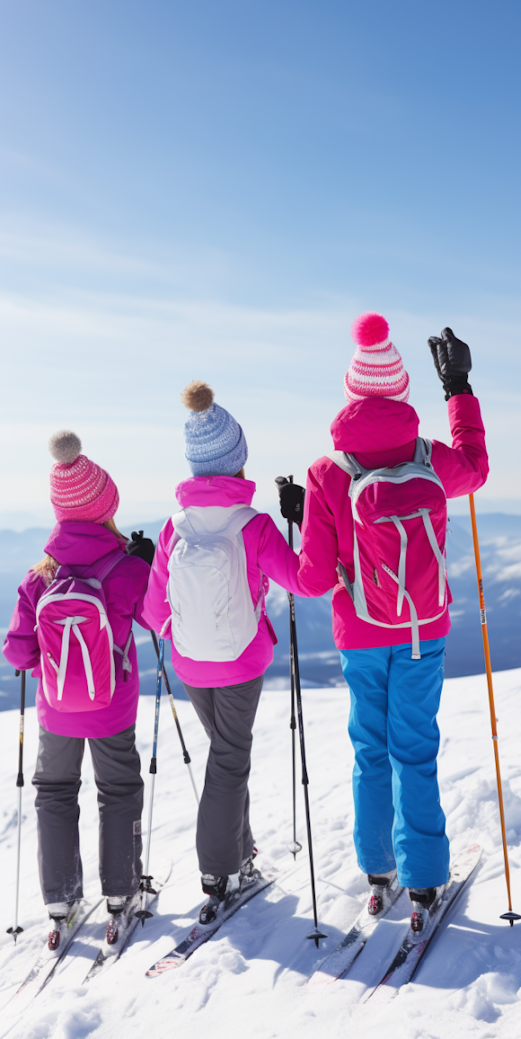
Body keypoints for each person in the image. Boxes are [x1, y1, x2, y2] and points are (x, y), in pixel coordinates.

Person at [277, 314, 488, 931]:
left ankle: (378, 871)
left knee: (371, 750)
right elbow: (475, 466)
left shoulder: (327, 474)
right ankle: (423, 878)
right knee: (415, 752)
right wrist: (458, 388)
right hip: (425, 630)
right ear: (401, 393)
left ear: (350, 395)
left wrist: (301, 522)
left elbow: (313, 580)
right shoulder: (429, 457)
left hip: (361, 636)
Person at [142, 381, 306, 924]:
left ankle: (239, 853)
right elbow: (304, 581)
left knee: (224, 754)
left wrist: (184, 638)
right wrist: (300, 521)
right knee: (230, 759)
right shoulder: (254, 525)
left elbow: (153, 607)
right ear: (238, 463)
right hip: (240, 663)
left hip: (192, 662)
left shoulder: (175, 527)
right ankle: (219, 871)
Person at [3, 432, 151, 949]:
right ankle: (120, 896)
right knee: (118, 791)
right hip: (112, 707)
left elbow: (17, 655)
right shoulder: (128, 569)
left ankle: (60, 901)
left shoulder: (37, 578)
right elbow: (157, 619)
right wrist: (146, 565)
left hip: (57, 711)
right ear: (106, 506)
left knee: (55, 794)